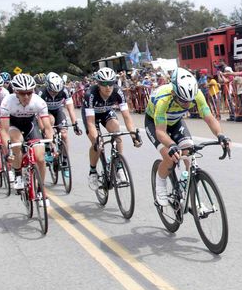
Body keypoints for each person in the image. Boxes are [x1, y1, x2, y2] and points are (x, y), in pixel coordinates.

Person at [144, 67, 230, 206]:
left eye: (189, 101)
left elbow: (209, 118)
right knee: (169, 157)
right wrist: (172, 145)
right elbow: (160, 132)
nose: (187, 104)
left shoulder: (197, 94)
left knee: (189, 153)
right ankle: (160, 185)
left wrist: (220, 135)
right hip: (155, 124)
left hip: (175, 121)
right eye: (183, 100)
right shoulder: (163, 100)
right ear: (174, 93)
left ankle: (193, 194)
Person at [81, 67, 141, 191]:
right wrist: (96, 140)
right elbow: (91, 123)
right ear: (98, 84)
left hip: (106, 113)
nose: (108, 87)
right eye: (104, 84)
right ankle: (93, 172)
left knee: (117, 132)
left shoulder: (118, 91)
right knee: (98, 144)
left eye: (110, 83)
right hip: (91, 116)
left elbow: (127, 117)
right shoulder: (90, 94)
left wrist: (134, 135)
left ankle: (118, 166)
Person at [0, 74, 54, 202]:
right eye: (22, 93)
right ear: (16, 92)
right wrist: (7, 151)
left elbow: (47, 127)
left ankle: (41, 189)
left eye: (29, 93)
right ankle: (18, 173)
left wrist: (51, 144)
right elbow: (4, 130)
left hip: (30, 125)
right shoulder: (7, 102)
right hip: (14, 125)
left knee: (40, 158)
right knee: (17, 143)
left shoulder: (38, 101)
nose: (26, 96)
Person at [38, 72, 82, 173]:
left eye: (57, 92)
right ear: (47, 86)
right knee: (50, 121)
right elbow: (38, 114)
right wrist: (43, 130)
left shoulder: (64, 91)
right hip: (45, 112)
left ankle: (65, 161)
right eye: (52, 91)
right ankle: (48, 148)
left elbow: (70, 109)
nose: (55, 93)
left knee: (64, 134)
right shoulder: (41, 93)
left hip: (58, 111)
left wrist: (75, 124)